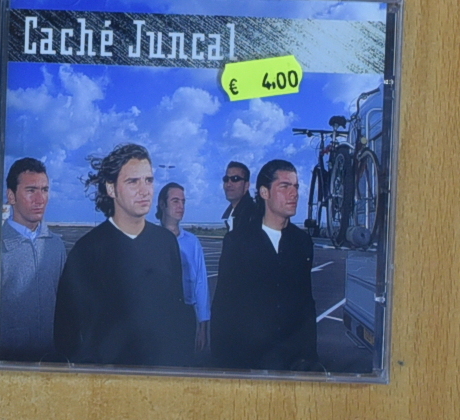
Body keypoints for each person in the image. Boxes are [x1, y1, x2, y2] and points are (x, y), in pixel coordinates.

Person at [54, 144, 195, 367]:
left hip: (159, 374)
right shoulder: (87, 250)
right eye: (133, 181)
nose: (144, 190)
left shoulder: (166, 242)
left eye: (148, 180)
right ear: (111, 189)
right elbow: (66, 331)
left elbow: (175, 313)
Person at [212, 159, 319, 371]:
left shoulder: (302, 242)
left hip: (292, 363)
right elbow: (224, 306)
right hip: (249, 361)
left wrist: (310, 358)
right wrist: (223, 366)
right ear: (264, 192)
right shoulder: (238, 241)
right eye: (284, 186)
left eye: (296, 186)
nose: (294, 194)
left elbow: (306, 305)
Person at [0, 157, 67, 362]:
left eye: (44, 190)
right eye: (31, 190)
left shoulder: (56, 246)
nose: (40, 199)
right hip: (7, 364)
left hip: (52, 362)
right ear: (11, 196)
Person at [156, 182, 210, 353]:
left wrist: (202, 326)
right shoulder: (151, 240)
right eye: (175, 201)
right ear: (162, 204)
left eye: (183, 202)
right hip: (158, 315)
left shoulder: (192, 242)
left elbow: (201, 284)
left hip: (185, 315)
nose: (181, 206)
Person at [221, 161, 256, 232]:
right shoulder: (232, 215)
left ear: (246, 185)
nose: (228, 184)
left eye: (235, 179)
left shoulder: (253, 215)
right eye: (226, 179)